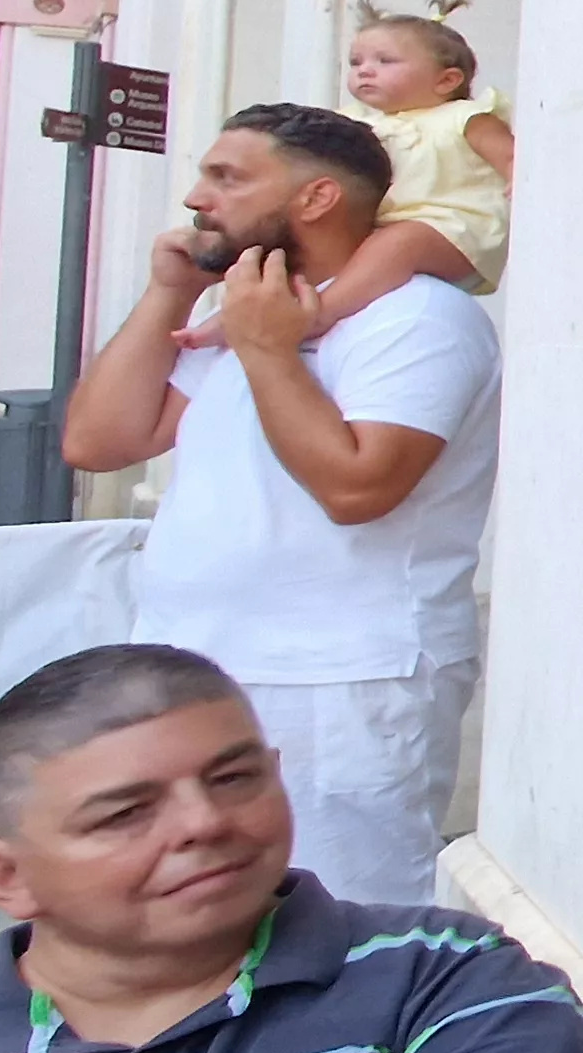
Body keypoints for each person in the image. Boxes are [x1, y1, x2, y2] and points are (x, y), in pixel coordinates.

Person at [60, 105, 503, 910]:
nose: (198, 197)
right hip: (188, 666)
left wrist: (266, 348)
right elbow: (101, 442)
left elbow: (357, 488)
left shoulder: (421, 320)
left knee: (343, 922)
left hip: (336, 683)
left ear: (317, 198)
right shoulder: (249, 312)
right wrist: (169, 296)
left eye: (228, 177)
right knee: (207, 913)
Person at [0, 644, 583, 1053]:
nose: (205, 823)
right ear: (5, 879)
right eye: (126, 813)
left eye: (234, 778)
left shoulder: (442, 974)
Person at [172, 0, 514, 352]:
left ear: (447, 80)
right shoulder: (358, 122)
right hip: (382, 233)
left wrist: (514, 179)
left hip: (453, 229)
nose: (365, 70)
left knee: (401, 241)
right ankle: (229, 319)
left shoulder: (465, 117)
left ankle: (321, 315)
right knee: (300, 258)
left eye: (385, 61)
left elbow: (510, 155)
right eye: (356, 62)